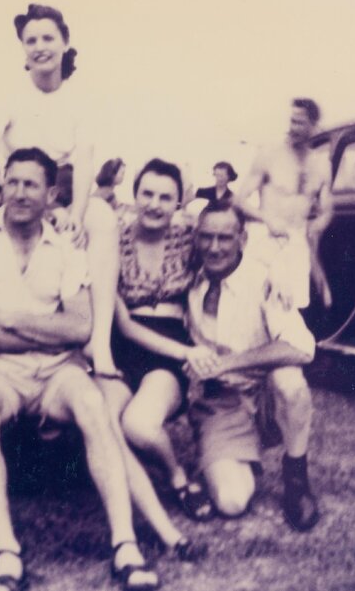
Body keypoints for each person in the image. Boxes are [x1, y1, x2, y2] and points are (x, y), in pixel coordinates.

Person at [0, 148, 163, 591]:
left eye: (30, 185)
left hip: (57, 371)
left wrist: (7, 318)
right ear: (1, 186)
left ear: (51, 194)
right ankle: (6, 553)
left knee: (91, 403)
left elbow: (81, 326)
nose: (19, 193)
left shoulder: (66, 243)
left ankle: (126, 546)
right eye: (12, 182)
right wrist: (46, 329)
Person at [0, 3, 121, 381]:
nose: (40, 47)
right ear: (23, 48)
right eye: (31, 40)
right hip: (13, 192)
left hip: (59, 192)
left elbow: (85, 160)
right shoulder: (7, 94)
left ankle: (99, 343)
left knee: (101, 218)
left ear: (65, 42)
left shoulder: (80, 98)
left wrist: (75, 212)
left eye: (48, 38)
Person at [184, 203, 321, 532]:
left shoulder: (264, 281)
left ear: (242, 239)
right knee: (231, 502)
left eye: (224, 238)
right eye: (206, 237)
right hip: (222, 405)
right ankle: (222, 460)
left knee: (289, 380)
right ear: (195, 237)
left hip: (265, 397)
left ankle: (296, 480)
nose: (214, 247)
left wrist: (227, 363)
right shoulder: (186, 277)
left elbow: (303, 348)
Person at [97, 158, 216, 523]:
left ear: (179, 202)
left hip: (166, 355)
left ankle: (176, 476)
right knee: (108, 426)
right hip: (120, 345)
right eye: (147, 193)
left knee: (138, 425)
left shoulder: (189, 237)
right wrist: (190, 353)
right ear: (133, 196)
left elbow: (233, 250)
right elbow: (126, 325)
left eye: (166, 197)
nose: (154, 204)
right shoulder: (111, 240)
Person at [233, 98, 333, 309]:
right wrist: (267, 218)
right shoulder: (269, 154)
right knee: (256, 307)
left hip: (296, 246)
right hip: (266, 242)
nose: (292, 128)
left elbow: (327, 210)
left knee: (292, 311)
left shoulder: (322, 164)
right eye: (291, 121)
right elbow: (239, 200)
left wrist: (316, 226)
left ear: (314, 126)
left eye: (299, 122)